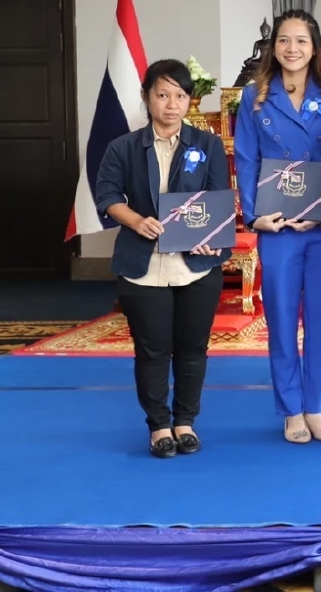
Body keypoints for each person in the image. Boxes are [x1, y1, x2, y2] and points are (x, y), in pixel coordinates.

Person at [94, 59, 231, 459]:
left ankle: (185, 421)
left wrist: (209, 237)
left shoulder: (206, 146)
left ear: (190, 100)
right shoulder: (123, 147)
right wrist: (137, 221)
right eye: (163, 94)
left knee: (193, 347)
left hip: (196, 264)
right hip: (143, 264)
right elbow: (106, 196)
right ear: (147, 97)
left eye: (181, 96)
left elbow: (217, 197)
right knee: (152, 350)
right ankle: (158, 426)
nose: (172, 104)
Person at [234, 9, 321, 445]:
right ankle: (291, 409)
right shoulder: (255, 97)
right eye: (284, 40)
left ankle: (316, 406)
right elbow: (246, 158)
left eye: (301, 40)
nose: (292, 48)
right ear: (273, 46)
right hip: (276, 224)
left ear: (315, 47)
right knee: (281, 317)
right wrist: (254, 214)